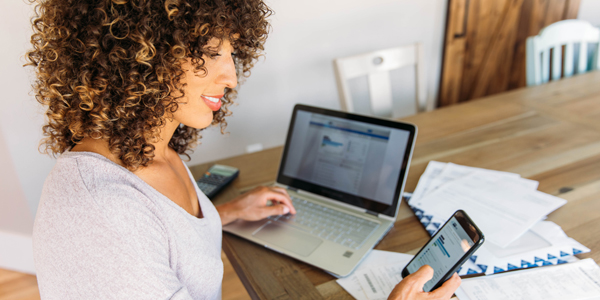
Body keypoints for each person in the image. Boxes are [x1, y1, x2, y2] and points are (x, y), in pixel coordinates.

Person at [26, 0, 461, 299]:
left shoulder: (153, 151)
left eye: (233, 53)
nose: (232, 77)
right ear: (139, 54)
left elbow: (164, 236)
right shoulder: (100, 214)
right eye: (212, 52)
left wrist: (226, 213)